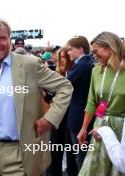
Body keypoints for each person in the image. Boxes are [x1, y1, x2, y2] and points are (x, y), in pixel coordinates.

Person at [0, 18, 73, 176]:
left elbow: (65, 87)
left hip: (22, 152)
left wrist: (50, 118)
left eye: (3, 38)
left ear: (10, 40)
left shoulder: (30, 65)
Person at [77, 32, 125, 176]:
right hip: (100, 125)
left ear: (110, 48)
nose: (94, 56)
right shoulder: (96, 71)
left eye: (96, 51)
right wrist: (84, 129)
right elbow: (93, 102)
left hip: (122, 129)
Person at [66, 35, 95, 172]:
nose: (68, 52)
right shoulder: (88, 63)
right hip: (85, 116)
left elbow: (64, 86)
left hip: (79, 118)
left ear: (80, 49)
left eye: (70, 49)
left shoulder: (82, 65)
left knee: (81, 159)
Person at [46, 47, 77, 176]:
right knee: (54, 152)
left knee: (71, 155)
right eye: (60, 58)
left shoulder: (77, 73)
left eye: (65, 57)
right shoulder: (56, 74)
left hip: (71, 119)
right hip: (57, 118)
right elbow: (51, 97)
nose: (63, 60)